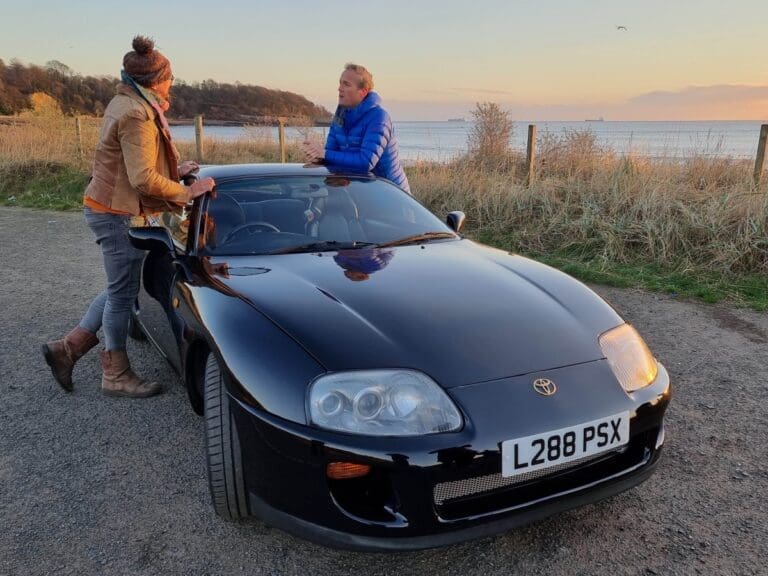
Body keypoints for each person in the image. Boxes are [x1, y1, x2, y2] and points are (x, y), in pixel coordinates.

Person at [41, 36, 215, 398]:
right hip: (117, 213)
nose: (172, 83)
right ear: (156, 80)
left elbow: (132, 166)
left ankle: (68, 349)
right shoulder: (137, 113)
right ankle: (115, 374)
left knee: (120, 287)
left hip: (111, 206)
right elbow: (142, 179)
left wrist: (174, 170)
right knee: (122, 294)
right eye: (170, 77)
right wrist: (187, 192)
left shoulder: (125, 101)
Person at [302, 63, 410, 193]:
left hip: (392, 193)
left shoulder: (379, 118)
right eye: (340, 83)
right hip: (363, 191)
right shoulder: (339, 117)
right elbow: (331, 155)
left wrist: (324, 154)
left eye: (346, 84)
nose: (339, 88)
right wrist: (318, 158)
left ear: (363, 92)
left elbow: (365, 163)